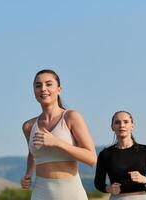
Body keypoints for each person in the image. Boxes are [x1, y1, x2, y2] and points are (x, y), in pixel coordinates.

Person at [20, 69, 97, 200]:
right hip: (40, 193)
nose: (43, 89)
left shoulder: (71, 117)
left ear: (59, 89)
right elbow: (32, 154)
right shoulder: (28, 126)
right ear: (34, 92)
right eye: (38, 86)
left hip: (71, 193)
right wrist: (28, 174)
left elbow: (92, 158)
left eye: (49, 84)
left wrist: (57, 143)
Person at [94, 111, 146, 200]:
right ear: (112, 127)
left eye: (126, 122)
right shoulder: (105, 154)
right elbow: (98, 183)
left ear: (132, 126)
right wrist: (108, 188)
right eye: (117, 122)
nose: (122, 125)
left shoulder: (145, 151)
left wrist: (144, 179)